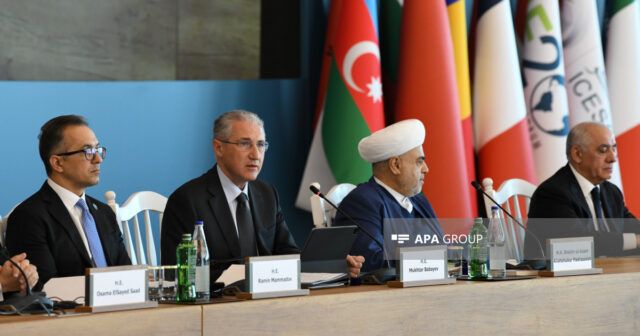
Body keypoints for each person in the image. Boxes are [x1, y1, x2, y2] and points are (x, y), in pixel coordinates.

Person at [161, 110, 364, 281]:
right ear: (218, 147)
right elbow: (176, 273)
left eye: (261, 145)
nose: (256, 155)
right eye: (245, 144)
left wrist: (329, 263)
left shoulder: (266, 194)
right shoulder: (187, 200)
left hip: (267, 299)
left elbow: (287, 252)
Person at [6, 115, 131, 287]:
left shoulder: (104, 213)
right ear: (57, 163)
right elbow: (47, 288)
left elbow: (127, 274)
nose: (98, 159)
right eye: (88, 151)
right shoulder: (28, 217)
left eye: (98, 149)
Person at [333, 119, 445, 272]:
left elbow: (443, 247)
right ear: (395, 165)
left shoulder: (419, 200)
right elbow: (372, 261)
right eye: (419, 162)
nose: (426, 169)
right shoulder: (361, 202)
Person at [525, 122, 640, 258]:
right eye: (603, 150)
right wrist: (636, 240)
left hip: (611, 273)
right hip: (568, 277)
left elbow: (633, 227)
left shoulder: (611, 192)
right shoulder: (552, 193)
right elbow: (579, 241)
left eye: (614, 149)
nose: (613, 158)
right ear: (578, 154)